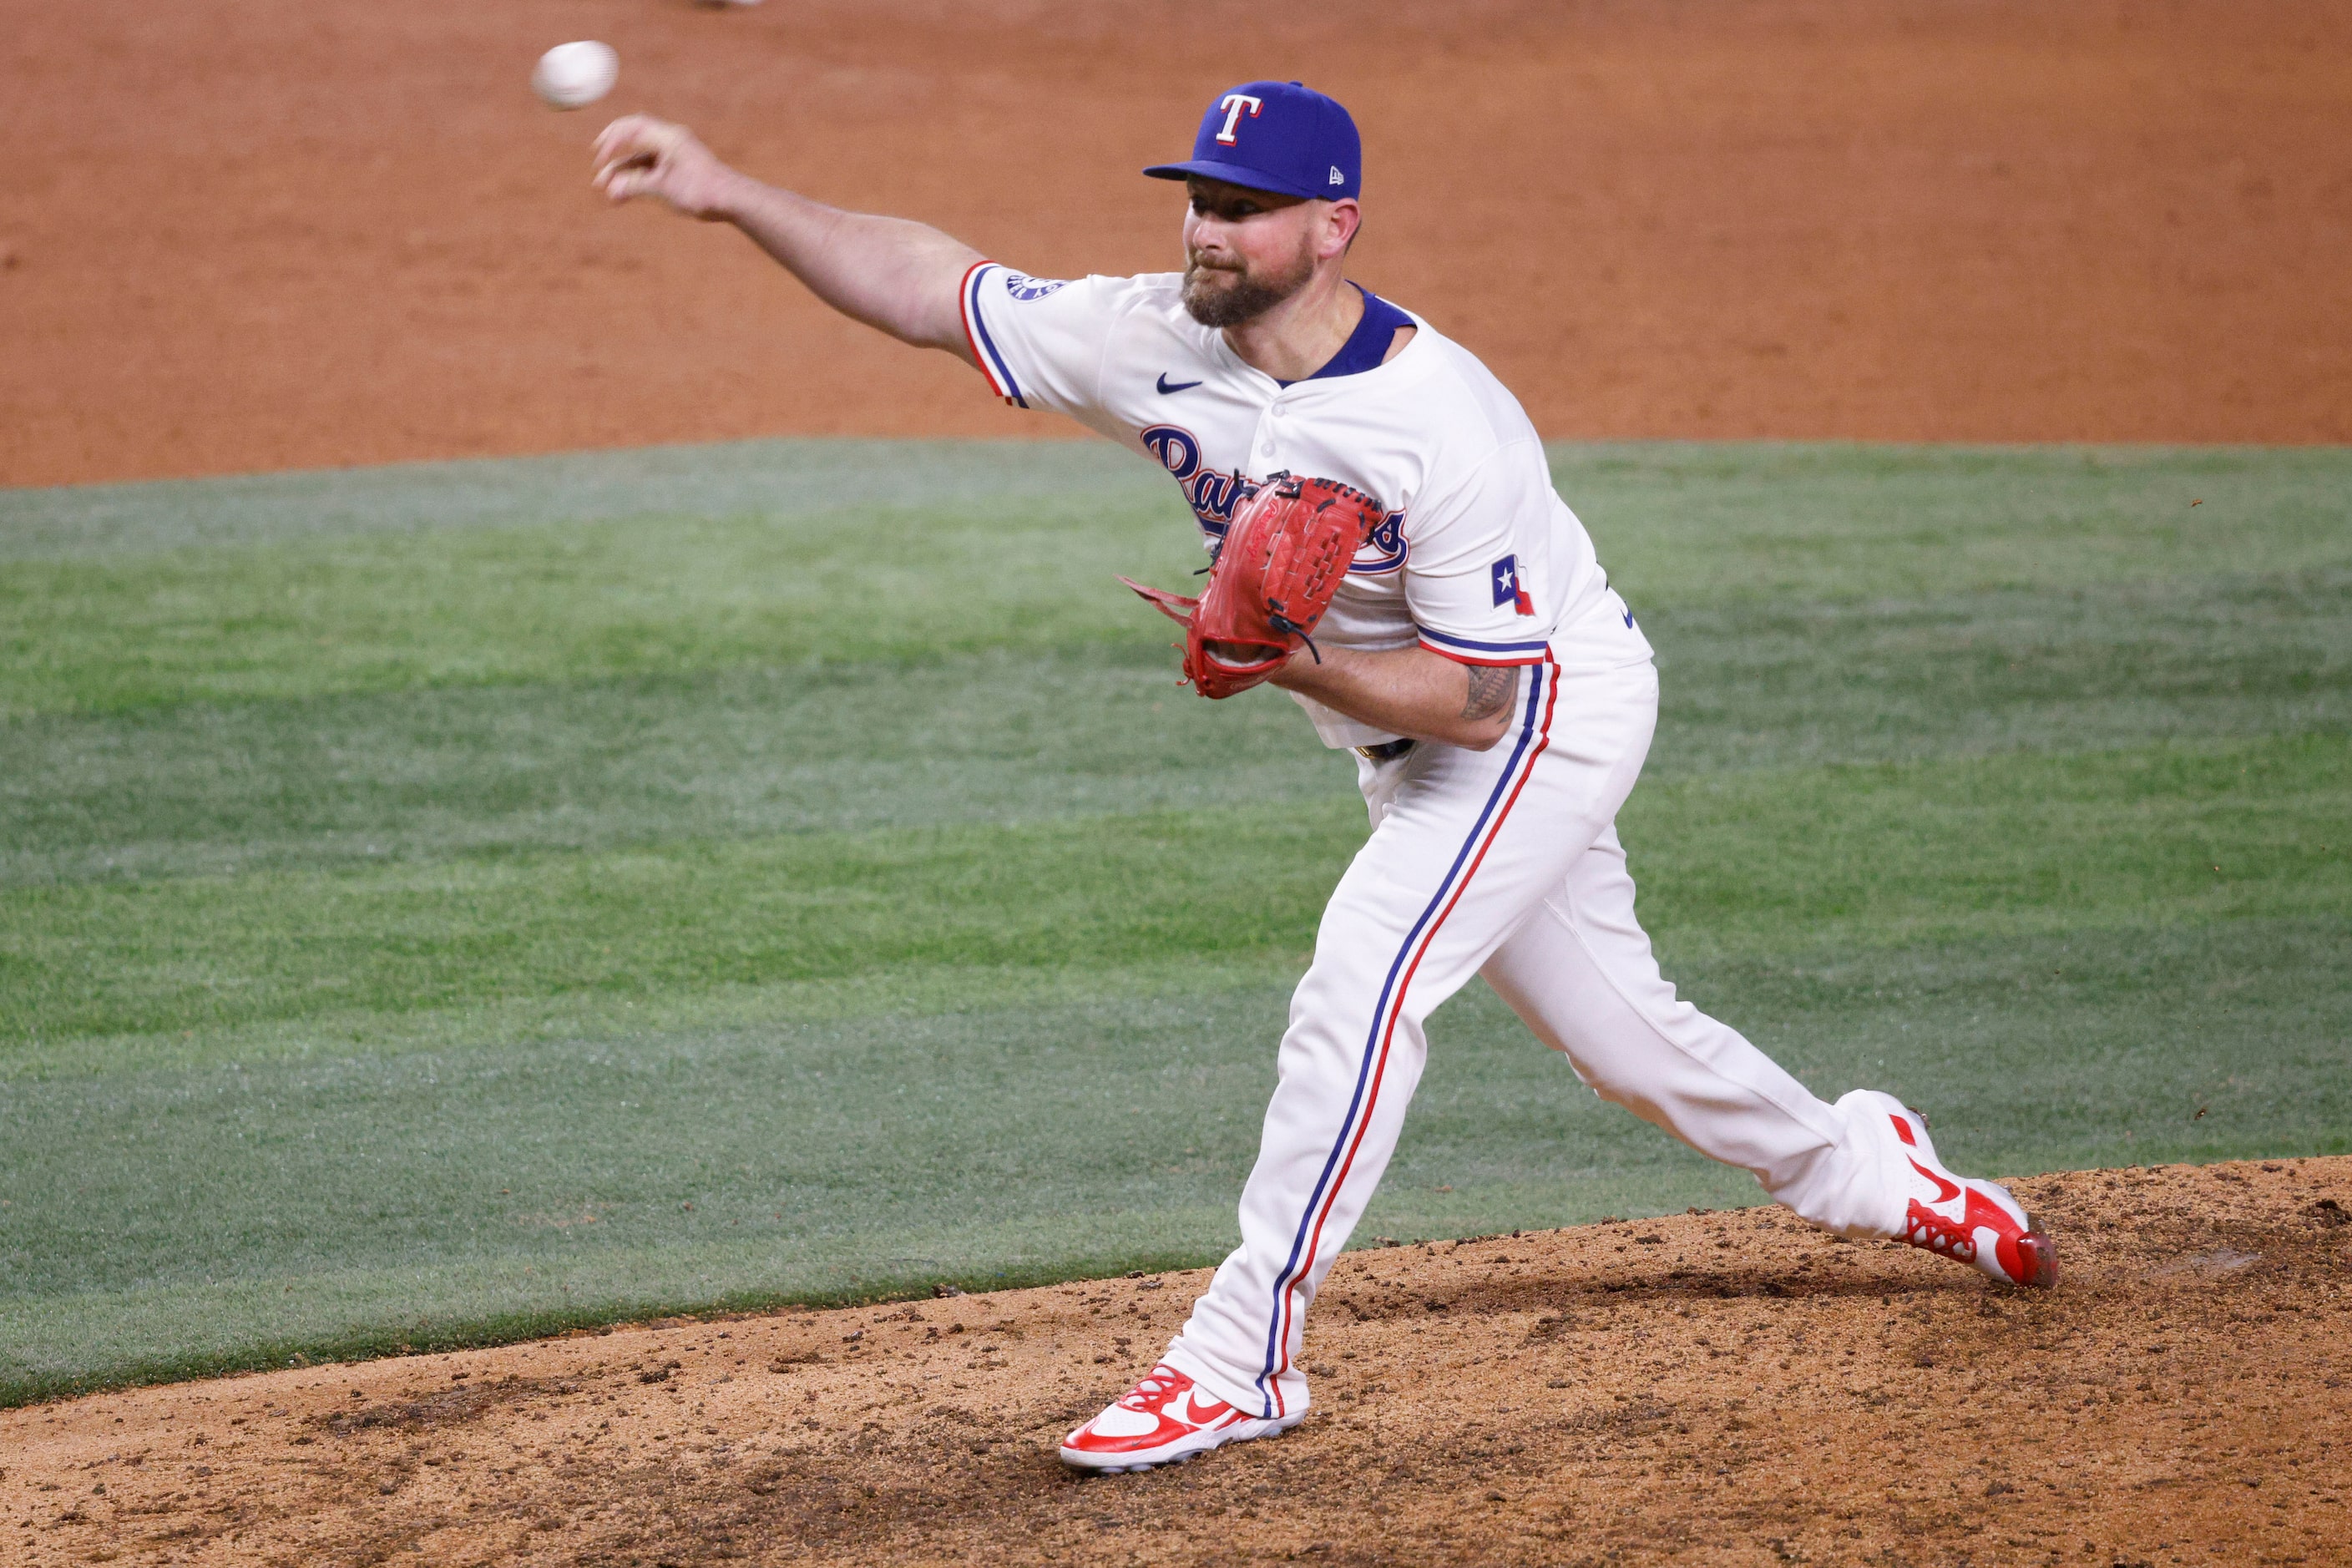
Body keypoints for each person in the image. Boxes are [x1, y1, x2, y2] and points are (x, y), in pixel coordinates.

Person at [589, 78, 2056, 1476]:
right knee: (1625, 1040)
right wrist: (724, 194)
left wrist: (1288, 664)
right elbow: (931, 283)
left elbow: (1479, 702)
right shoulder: (1146, 332)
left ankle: (1242, 1355)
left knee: (1362, 979)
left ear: (1333, 226)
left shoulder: (1444, 418)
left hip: (1544, 706)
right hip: (1408, 732)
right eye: (1199, 197)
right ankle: (1868, 1169)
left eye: (1248, 205)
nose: (1207, 229)